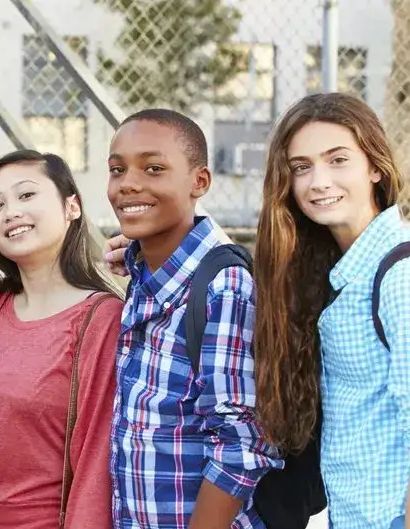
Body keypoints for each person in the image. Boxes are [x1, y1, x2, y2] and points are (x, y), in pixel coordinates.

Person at [250, 93, 410, 529]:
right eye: (301, 167)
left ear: (374, 167)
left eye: (337, 160)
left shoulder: (404, 275)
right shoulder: (339, 271)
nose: (318, 182)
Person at [106, 109, 280, 528]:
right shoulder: (147, 272)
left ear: (199, 181)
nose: (128, 183)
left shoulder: (224, 286)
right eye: (117, 169)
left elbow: (242, 444)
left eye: (153, 168)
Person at [0, 150, 120, 528]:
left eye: (26, 195)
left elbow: (95, 463)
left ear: (71, 206)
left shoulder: (101, 318)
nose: (11, 212)